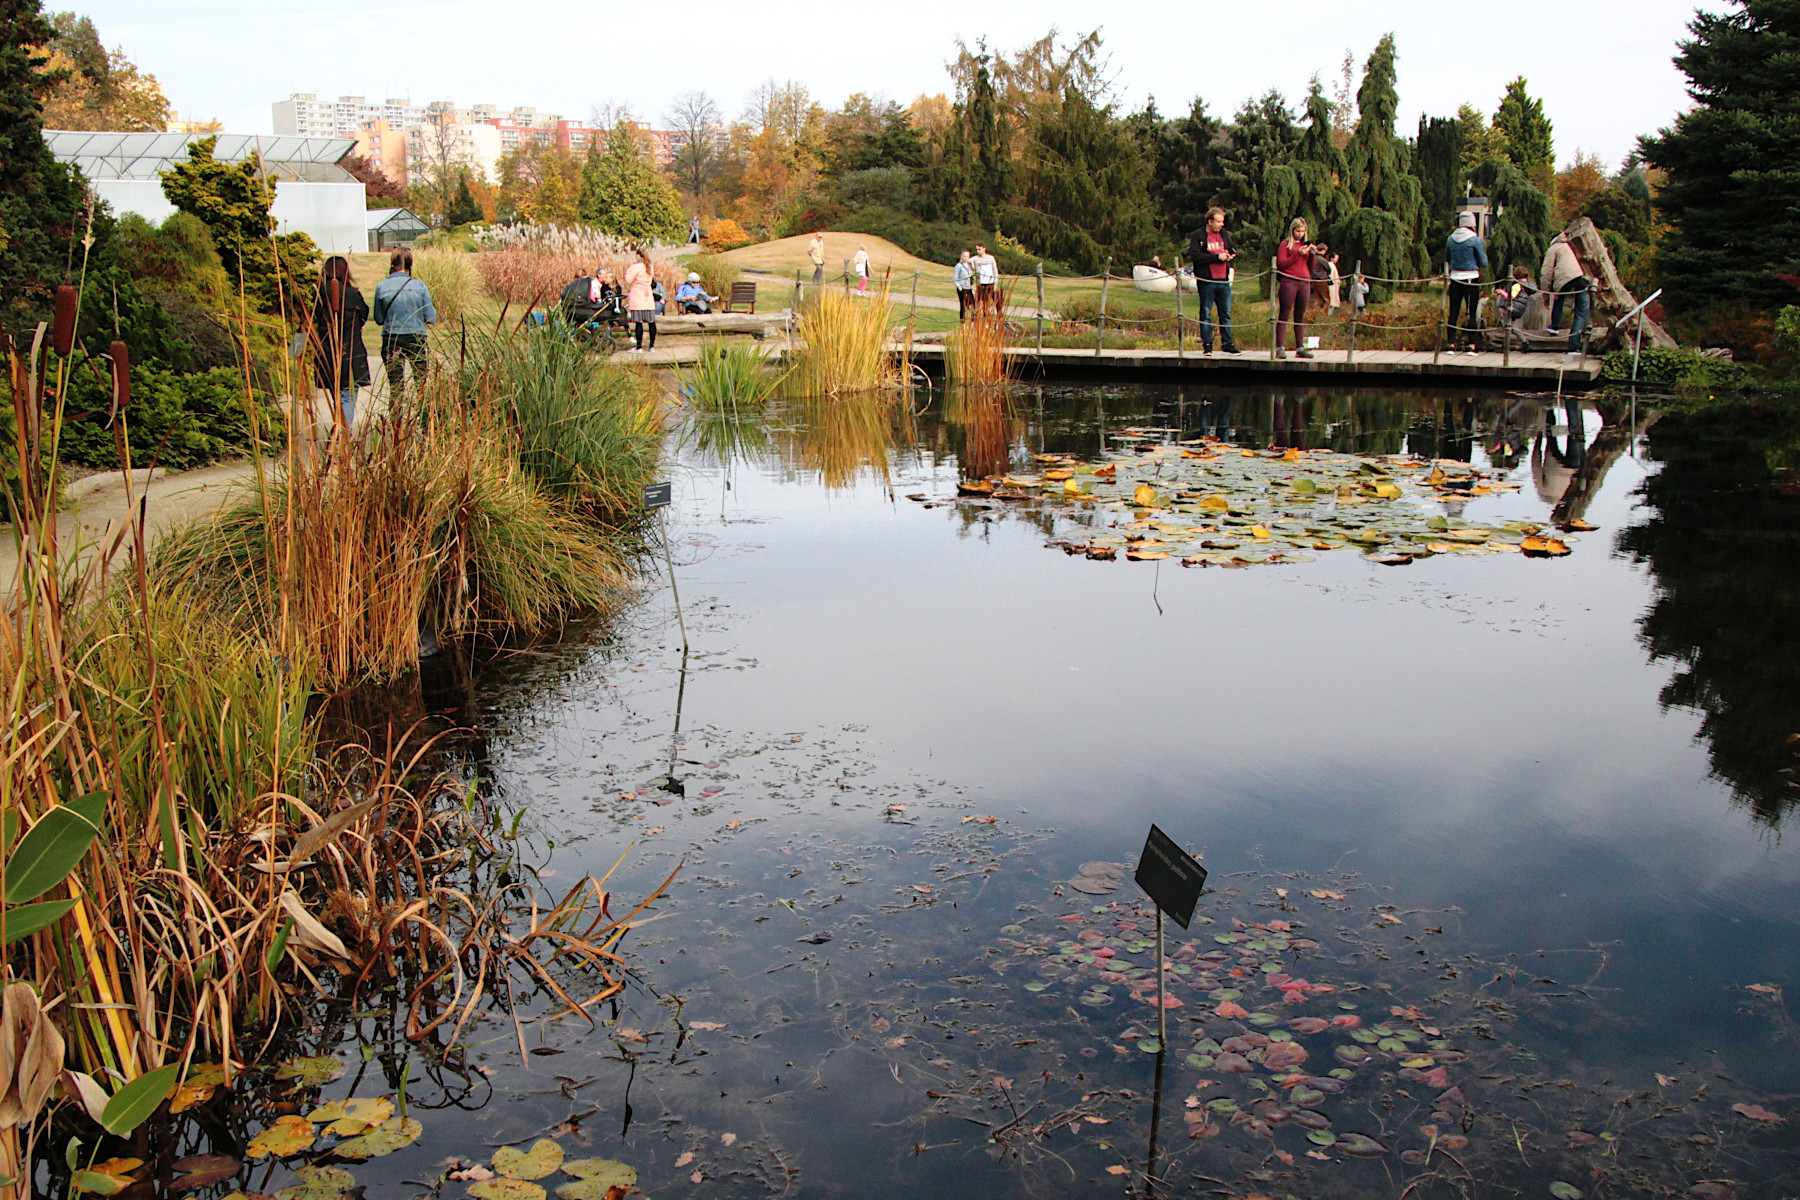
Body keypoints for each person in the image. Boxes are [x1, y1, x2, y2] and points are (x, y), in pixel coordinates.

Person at [309, 256, 370, 430]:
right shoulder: (352, 294)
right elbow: (364, 314)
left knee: (338, 397)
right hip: (351, 351)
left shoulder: (318, 293)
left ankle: (340, 432)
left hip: (326, 352)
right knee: (348, 396)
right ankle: (342, 435)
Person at [372, 246, 436, 394]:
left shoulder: (381, 287)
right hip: (416, 338)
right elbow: (431, 317)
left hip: (391, 338)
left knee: (396, 388)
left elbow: (379, 318)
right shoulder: (419, 286)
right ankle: (423, 414)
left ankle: (396, 417)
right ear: (410, 264)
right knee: (422, 385)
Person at [1187, 206, 1238, 355]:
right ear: (1210, 221)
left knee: (1226, 313)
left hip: (1223, 280)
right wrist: (1216, 257)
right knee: (1206, 313)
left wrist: (1230, 255)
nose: (1222, 224)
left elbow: (1231, 247)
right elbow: (1195, 256)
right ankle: (1207, 344)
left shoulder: (1223, 233)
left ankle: (1228, 343)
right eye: (1219, 221)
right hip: (1206, 280)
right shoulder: (1198, 236)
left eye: (1222, 221)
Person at [1273, 217, 1318, 359]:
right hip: (1289, 281)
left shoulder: (1305, 245)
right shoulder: (1285, 244)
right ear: (1292, 230)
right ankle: (1280, 347)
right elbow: (1281, 264)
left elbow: (1311, 266)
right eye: (1298, 231)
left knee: (1300, 315)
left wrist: (1311, 255)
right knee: (1284, 314)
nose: (1300, 234)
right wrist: (1298, 254)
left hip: (1304, 281)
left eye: (1303, 231)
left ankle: (1300, 347)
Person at [1540, 231, 1591, 354]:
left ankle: (1555, 325)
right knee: (1581, 311)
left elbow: (1546, 274)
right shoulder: (1574, 244)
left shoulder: (1554, 248)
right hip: (1582, 276)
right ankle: (1574, 346)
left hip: (1563, 279)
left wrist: (1546, 296)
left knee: (1559, 298)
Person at [1444, 211, 1489, 352]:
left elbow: (1447, 257)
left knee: (1453, 312)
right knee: (1472, 312)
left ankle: (1450, 344)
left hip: (1455, 278)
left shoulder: (1450, 239)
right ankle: (1471, 344)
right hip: (1471, 278)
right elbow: (1483, 261)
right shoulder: (1474, 239)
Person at [624, 249, 657, 352]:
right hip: (648, 296)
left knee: (639, 322)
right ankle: (651, 346)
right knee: (651, 322)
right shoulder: (650, 266)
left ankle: (639, 347)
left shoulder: (636, 267)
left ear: (638, 255)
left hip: (638, 295)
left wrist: (628, 271)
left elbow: (628, 280)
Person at [970, 243, 1000, 316]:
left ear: (984, 249)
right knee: (984, 302)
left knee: (997, 301)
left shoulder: (990, 258)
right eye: (976, 249)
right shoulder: (976, 258)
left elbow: (995, 270)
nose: (978, 251)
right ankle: (985, 317)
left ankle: (1000, 316)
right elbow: (968, 261)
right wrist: (972, 266)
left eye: (979, 249)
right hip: (981, 284)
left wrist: (995, 283)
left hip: (991, 283)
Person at [1309, 243, 1333, 309]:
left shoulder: (1312, 258)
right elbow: (1329, 269)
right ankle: (1324, 316)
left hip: (1313, 280)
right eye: (1325, 250)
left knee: (1316, 299)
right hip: (1322, 281)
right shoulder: (1323, 260)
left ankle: (1314, 314)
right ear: (1322, 250)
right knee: (1326, 299)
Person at [953, 249, 975, 322]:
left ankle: (973, 321)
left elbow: (971, 277)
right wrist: (959, 287)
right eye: (964, 256)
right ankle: (963, 322)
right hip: (962, 287)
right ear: (961, 256)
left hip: (969, 287)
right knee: (963, 305)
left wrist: (972, 287)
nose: (966, 258)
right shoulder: (958, 266)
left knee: (973, 305)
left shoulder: (969, 266)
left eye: (967, 256)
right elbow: (955, 278)